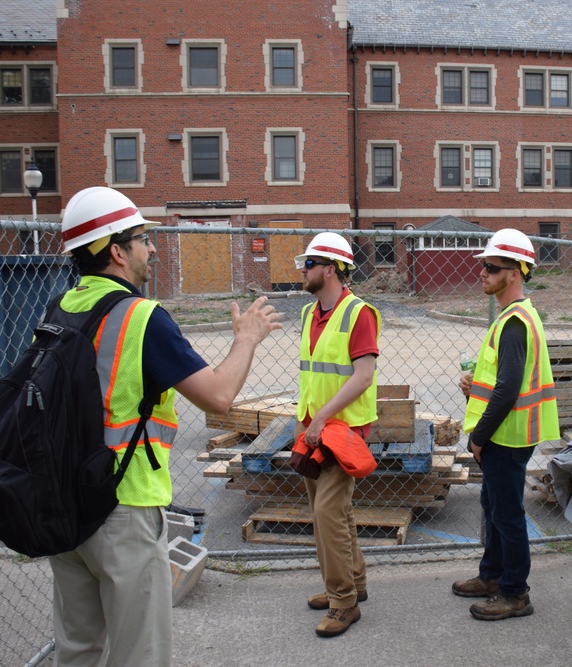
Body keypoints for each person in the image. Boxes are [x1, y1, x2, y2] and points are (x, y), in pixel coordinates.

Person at [48, 187, 282, 667]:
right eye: (143, 239)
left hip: (65, 501)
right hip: (123, 508)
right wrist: (247, 338)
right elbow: (218, 396)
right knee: (140, 653)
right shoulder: (141, 318)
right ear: (117, 250)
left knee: (78, 649)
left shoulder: (63, 306)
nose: (152, 248)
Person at [452, 228, 560, 621]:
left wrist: (479, 437)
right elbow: (500, 381)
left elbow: (510, 389)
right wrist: (472, 387)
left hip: (506, 436)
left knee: (508, 514)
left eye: (492, 267)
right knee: (494, 507)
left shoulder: (515, 322)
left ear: (514, 272)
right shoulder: (512, 317)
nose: (482, 271)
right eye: (483, 265)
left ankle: (515, 592)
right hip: (505, 433)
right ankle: (493, 575)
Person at [294, 231, 381, 638]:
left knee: (327, 514)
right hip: (314, 431)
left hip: (342, 432)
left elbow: (363, 376)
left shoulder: (358, 313)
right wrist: (305, 422)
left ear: (330, 269)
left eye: (309, 263)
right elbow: (312, 376)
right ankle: (353, 584)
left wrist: (320, 419)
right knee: (335, 513)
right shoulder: (309, 314)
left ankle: (343, 601)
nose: (303, 269)